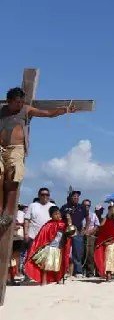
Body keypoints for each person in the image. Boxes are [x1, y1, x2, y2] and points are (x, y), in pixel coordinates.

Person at [0, 87, 76, 232]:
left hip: (16, 148)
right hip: (0, 147)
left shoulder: (26, 110)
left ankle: (7, 213)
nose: (20, 104)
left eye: (22, 102)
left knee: (14, 176)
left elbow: (47, 113)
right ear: (9, 101)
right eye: (17, 102)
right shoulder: (1, 110)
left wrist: (64, 110)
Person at [24, 206, 76, 285]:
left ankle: (58, 280)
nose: (58, 215)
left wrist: (69, 220)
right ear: (51, 216)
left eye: (58, 213)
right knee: (46, 266)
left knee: (58, 266)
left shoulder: (63, 224)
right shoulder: (48, 225)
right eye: (55, 214)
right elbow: (42, 237)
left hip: (59, 248)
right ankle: (44, 281)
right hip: (49, 248)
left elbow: (71, 231)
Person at [93, 207, 114, 281]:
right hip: (109, 246)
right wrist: (109, 241)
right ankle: (108, 276)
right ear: (113, 215)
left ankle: (110, 276)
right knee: (109, 261)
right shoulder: (107, 223)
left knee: (112, 261)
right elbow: (104, 234)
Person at [60, 190, 87, 277]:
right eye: (74, 196)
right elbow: (59, 218)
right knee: (64, 250)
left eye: (77, 197)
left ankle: (78, 271)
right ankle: (64, 270)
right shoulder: (64, 207)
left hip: (78, 232)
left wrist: (86, 229)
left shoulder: (82, 207)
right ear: (70, 197)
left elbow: (88, 218)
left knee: (77, 252)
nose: (76, 198)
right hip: (66, 232)